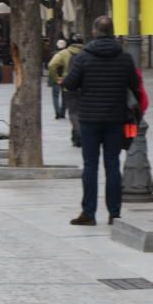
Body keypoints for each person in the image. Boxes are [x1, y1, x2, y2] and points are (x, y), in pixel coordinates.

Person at [62, 16, 141, 226]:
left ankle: (88, 212)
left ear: (95, 32)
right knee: (113, 165)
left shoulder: (83, 57)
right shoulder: (124, 57)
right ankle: (114, 213)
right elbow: (135, 84)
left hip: (89, 119)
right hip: (115, 119)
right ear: (113, 31)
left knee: (90, 165)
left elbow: (70, 84)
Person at [49, 33, 85, 146]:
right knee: (83, 112)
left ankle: (78, 135)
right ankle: (77, 137)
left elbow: (51, 65)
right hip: (85, 87)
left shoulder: (64, 53)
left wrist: (58, 79)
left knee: (73, 112)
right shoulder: (87, 53)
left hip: (69, 86)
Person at [48, 38, 67, 121]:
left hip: (55, 78)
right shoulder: (67, 54)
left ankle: (57, 113)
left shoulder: (53, 54)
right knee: (64, 96)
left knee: (55, 96)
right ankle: (63, 113)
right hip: (64, 77)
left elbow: (50, 66)